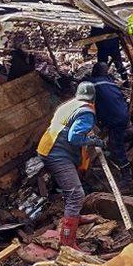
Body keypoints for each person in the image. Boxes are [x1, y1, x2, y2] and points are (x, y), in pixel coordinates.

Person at [36, 82, 105, 249]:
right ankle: (67, 241)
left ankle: (73, 217)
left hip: (47, 147)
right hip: (57, 154)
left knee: (71, 190)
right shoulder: (86, 112)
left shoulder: (69, 105)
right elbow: (74, 138)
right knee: (76, 194)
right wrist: (92, 140)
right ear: (93, 98)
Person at [89, 62, 132, 190]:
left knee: (117, 145)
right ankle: (115, 156)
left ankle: (127, 178)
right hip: (122, 116)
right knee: (116, 139)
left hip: (113, 118)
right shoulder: (111, 83)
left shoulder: (92, 84)